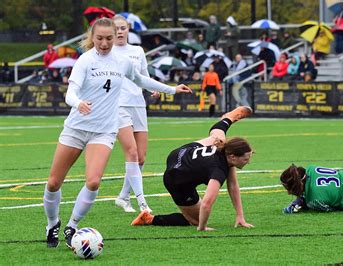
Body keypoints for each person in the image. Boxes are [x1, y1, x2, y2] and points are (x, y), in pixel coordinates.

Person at [43, 18, 192, 249]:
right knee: (53, 183)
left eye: (108, 39)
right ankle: (52, 223)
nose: (104, 43)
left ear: (116, 37)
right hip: (76, 128)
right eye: (100, 38)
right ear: (93, 37)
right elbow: (70, 93)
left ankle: (72, 225)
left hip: (103, 131)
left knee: (93, 182)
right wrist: (78, 103)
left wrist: (171, 89)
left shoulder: (122, 61)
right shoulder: (85, 60)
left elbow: (141, 79)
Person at [131, 106, 254, 231]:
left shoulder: (225, 150)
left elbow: (232, 185)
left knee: (217, 138)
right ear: (233, 157)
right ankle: (149, 218)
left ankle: (228, 118)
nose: (248, 162)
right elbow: (206, 204)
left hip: (180, 153)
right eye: (245, 159)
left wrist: (240, 216)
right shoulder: (219, 170)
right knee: (196, 219)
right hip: (176, 178)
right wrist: (202, 227)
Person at [111, 15, 160, 214]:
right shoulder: (107, 53)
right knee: (131, 153)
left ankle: (123, 197)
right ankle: (142, 203)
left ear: (128, 29)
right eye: (116, 29)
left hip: (138, 105)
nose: (120, 32)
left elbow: (143, 76)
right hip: (118, 107)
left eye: (123, 28)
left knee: (140, 158)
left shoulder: (137, 51)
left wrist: (152, 89)